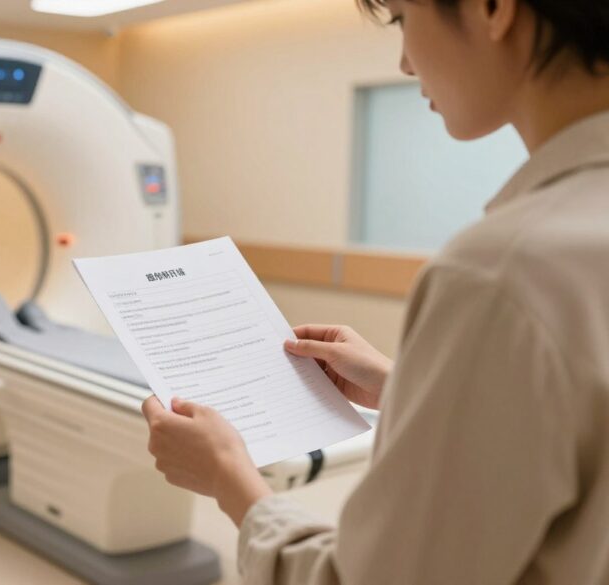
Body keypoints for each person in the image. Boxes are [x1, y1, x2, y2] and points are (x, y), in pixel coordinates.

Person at [140, 0, 609, 583]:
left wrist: (229, 477)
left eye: (402, 19)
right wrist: (407, 388)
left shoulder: (502, 271)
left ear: (493, 9)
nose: (407, 63)